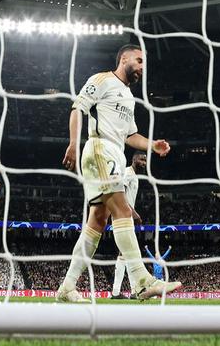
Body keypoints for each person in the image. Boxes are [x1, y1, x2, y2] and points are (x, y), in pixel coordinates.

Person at [56, 45, 181, 302]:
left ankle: (67, 287)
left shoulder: (128, 97)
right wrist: (73, 143)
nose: (142, 67)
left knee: (97, 221)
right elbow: (78, 108)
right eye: (139, 60)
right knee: (122, 211)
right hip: (100, 149)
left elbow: (130, 135)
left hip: (114, 153)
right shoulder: (102, 80)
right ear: (124, 59)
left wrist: (152, 145)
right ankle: (142, 281)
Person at [109, 153, 147, 299]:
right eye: (141, 159)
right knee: (129, 252)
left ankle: (119, 292)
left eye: (145, 160)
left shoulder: (134, 175)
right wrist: (134, 213)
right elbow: (120, 194)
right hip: (123, 214)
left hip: (125, 214)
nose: (144, 163)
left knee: (125, 253)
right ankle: (133, 291)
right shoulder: (127, 172)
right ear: (134, 159)